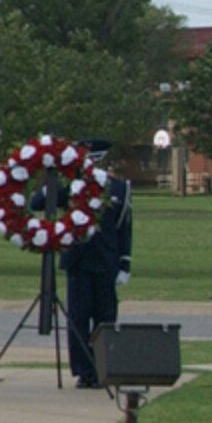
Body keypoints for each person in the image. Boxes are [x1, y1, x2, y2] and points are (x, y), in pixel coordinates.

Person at [61, 137, 132, 387]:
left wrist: (125, 264)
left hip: (105, 261)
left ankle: (104, 368)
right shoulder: (71, 186)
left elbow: (123, 229)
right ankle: (84, 371)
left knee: (105, 318)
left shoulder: (119, 188)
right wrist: (52, 181)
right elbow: (38, 202)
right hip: (78, 261)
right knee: (78, 319)